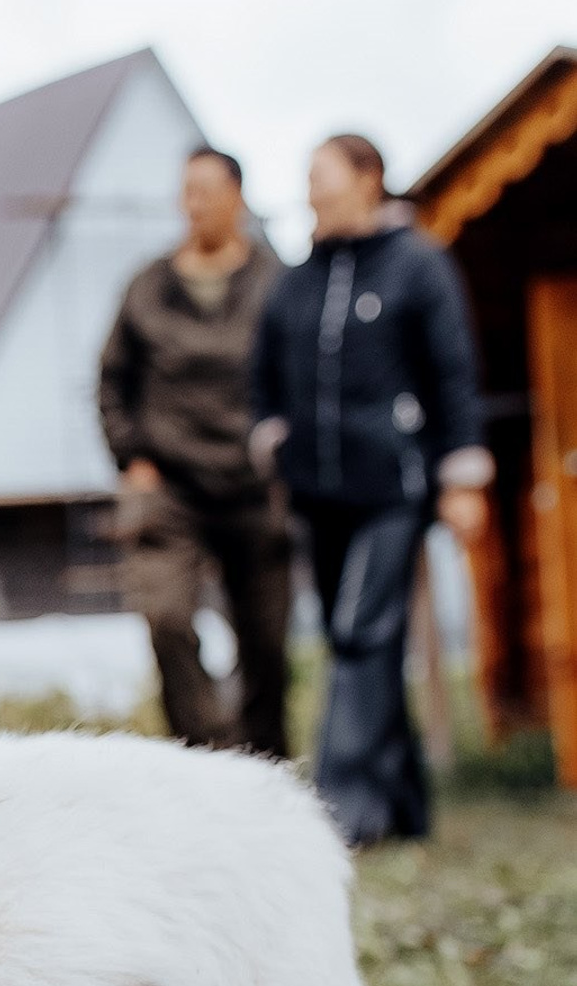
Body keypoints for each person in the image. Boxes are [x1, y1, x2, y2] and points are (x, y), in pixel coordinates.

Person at [252, 134, 491, 847]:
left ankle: (338, 816)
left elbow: (454, 373)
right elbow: (262, 375)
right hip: (319, 494)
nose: (310, 191)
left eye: (320, 176)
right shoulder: (296, 281)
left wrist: (462, 476)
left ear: (367, 179)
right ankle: (404, 808)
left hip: (396, 488)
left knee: (362, 632)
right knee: (359, 642)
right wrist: (273, 439)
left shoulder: (419, 266)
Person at [98, 147, 290, 757]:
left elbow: (301, 375)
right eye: (186, 191)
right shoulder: (148, 286)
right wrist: (133, 458)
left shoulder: (273, 282)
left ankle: (268, 770)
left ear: (236, 197)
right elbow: (111, 381)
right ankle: (209, 755)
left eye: (206, 190)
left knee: (266, 641)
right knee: (166, 618)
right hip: (171, 487)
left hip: (256, 485)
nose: (194, 203)